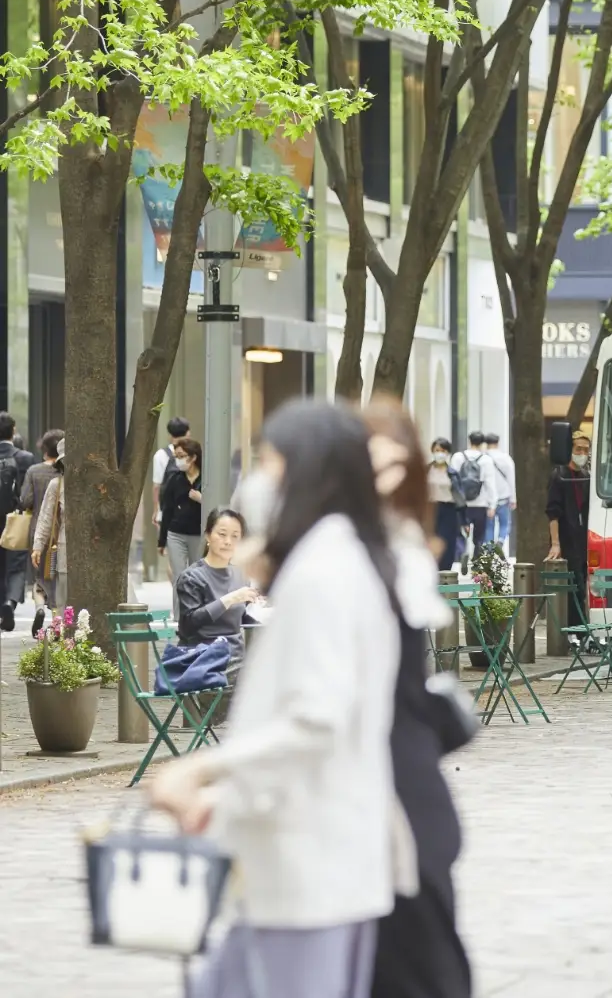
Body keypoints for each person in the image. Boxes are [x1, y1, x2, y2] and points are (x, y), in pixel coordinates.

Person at [150, 399, 401, 998]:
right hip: (302, 861)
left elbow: (316, 721)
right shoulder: (335, 560)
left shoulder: (324, 572)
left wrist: (203, 768)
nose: (257, 479)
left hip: (307, 870)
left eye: (269, 462)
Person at [363, 400, 472, 998]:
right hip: (382, 801)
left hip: (400, 801)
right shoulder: (367, 547)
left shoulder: (392, 552)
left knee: (425, 970)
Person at [175, 508, 256, 661]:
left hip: (236, 658)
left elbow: (241, 618)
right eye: (222, 534)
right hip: (203, 660)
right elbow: (188, 625)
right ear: (208, 536)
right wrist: (230, 599)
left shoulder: (241, 575)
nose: (228, 542)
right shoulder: (192, 577)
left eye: (235, 536)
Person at [12, 430, 62, 635]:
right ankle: (57, 623)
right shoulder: (64, 472)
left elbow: (25, 501)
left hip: (38, 533)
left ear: (44, 450)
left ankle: (40, 608)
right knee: (59, 580)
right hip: (60, 533)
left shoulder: (34, 471)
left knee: (40, 579)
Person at [545, 429, 591, 618]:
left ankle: (583, 629)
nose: (582, 454)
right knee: (574, 587)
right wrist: (556, 543)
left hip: (585, 538)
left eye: (586, 450)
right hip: (567, 537)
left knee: (585, 585)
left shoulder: (588, 476)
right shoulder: (560, 475)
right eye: (578, 449)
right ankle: (574, 631)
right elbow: (553, 512)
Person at [0, 419, 39, 633]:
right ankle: (10, 602)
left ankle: (1, 609)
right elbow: (28, 493)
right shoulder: (25, 458)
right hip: (15, 519)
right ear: (13, 431)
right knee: (15, 564)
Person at [160, 437, 204, 613]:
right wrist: (161, 541)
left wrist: (202, 499)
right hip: (176, 533)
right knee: (179, 576)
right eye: (176, 456)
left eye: (181, 455)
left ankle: (197, 613)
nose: (178, 460)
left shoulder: (206, 478)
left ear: (193, 457)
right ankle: (179, 617)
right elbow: (167, 510)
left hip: (198, 533)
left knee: (198, 575)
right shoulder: (175, 479)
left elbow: (217, 505)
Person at [30, 438, 66, 616]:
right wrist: (38, 546)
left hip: (90, 550)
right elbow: (45, 517)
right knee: (62, 594)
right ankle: (63, 634)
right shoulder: (57, 484)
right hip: (64, 547)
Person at [450, 432, 497, 564]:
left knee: (460, 534)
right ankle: (476, 559)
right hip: (480, 504)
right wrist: (492, 505)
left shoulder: (458, 457)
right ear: (482, 443)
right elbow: (490, 483)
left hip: (461, 503)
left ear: (469, 441)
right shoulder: (486, 460)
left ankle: (462, 553)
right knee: (479, 536)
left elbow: (452, 481)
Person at [427, 438, 463, 570]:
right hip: (431, 509)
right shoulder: (427, 470)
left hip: (449, 509)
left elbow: (460, 496)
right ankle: (431, 568)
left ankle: (445, 571)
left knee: (447, 541)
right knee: (431, 539)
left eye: (443, 451)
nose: (440, 453)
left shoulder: (452, 473)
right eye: (437, 450)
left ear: (448, 453)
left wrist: (464, 520)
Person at [484, 433, 516, 555]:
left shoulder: (483, 458)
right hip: (504, 497)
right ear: (498, 443)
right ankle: (501, 541)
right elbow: (511, 479)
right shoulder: (506, 458)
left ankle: (489, 552)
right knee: (505, 524)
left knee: (489, 527)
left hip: (488, 500)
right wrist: (513, 498)